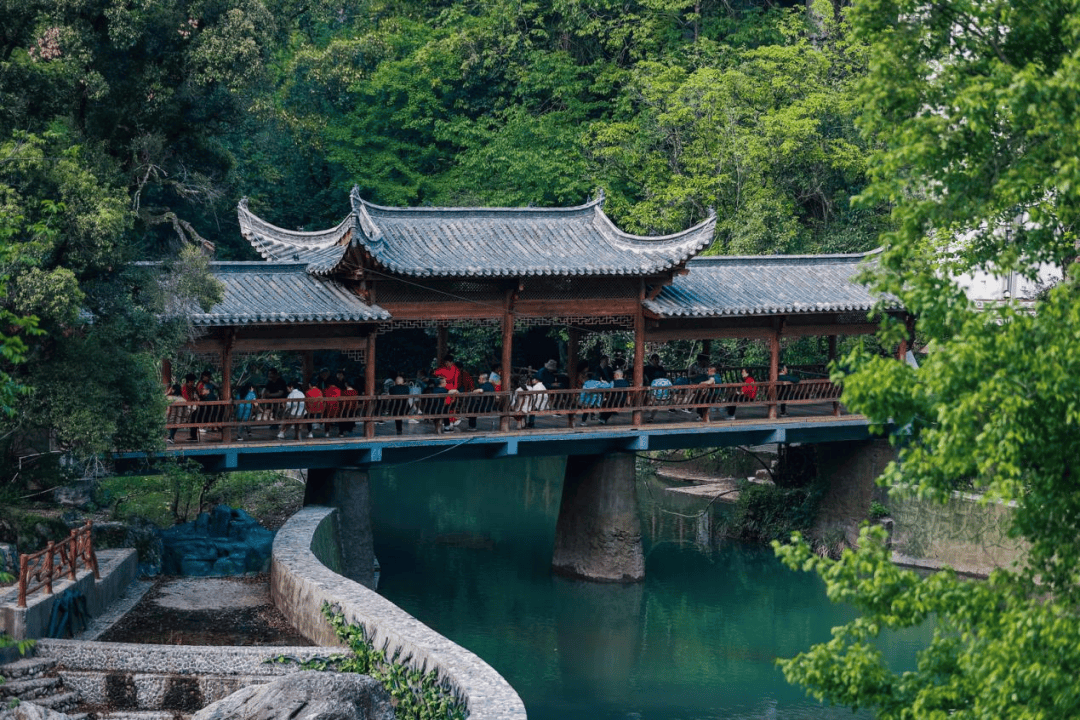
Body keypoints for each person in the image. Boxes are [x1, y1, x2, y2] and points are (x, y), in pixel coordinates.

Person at [180, 374, 198, 441]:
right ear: (189, 381)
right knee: (193, 417)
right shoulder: (184, 386)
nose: (192, 383)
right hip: (185, 406)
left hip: (192, 406)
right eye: (191, 381)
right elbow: (186, 398)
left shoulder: (192, 388)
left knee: (195, 417)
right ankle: (193, 435)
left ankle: (194, 436)